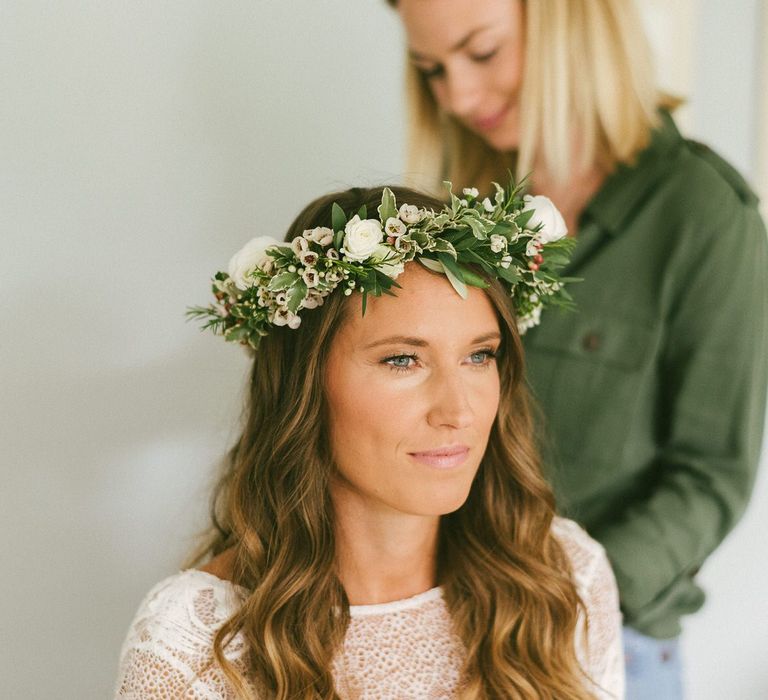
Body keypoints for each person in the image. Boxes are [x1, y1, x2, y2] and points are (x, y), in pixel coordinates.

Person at [386, 1, 768, 697]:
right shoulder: (464, 207)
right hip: (443, 624)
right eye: (433, 70)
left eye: (483, 53)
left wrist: (561, 599)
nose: (459, 97)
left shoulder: (703, 214)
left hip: (597, 644)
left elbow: (711, 475)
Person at [114, 184, 625, 698]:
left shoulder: (562, 579)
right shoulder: (195, 646)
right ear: (305, 385)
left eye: (480, 355)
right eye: (403, 359)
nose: (459, 412)